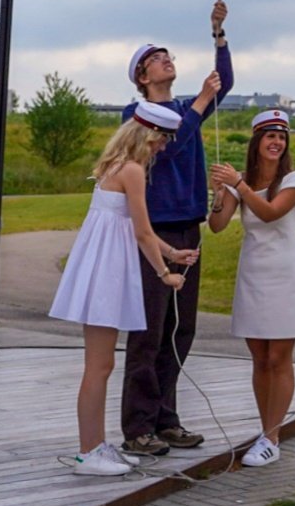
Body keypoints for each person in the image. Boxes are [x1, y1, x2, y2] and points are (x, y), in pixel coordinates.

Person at [49, 104, 199, 476]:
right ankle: (89, 452)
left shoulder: (115, 166)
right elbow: (143, 231)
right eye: (161, 140)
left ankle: (97, 445)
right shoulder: (132, 170)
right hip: (107, 273)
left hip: (103, 268)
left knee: (102, 365)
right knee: (98, 367)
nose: (162, 148)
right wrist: (167, 273)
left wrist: (171, 251)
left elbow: (139, 228)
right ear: (146, 136)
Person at [118, 2, 233, 457]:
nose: (168, 61)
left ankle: (167, 419)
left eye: (169, 55)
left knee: (179, 329)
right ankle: (137, 427)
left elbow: (226, 83)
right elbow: (173, 139)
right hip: (155, 234)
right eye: (157, 58)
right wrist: (202, 102)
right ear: (143, 77)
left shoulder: (187, 107)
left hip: (189, 229)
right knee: (148, 332)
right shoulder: (138, 113)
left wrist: (218, 35)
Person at [208, 109, 295, 468]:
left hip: (285, 274)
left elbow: (272, 213)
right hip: (253, 273)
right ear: (257, 141)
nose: (276, 142)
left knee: (278, 357)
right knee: (259, 357)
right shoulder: (244, 183)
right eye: (270, 136)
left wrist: (238, 185)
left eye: (282, 136)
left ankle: (273, 436)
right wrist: (219, 194)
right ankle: (264, 430)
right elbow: (217, 226)